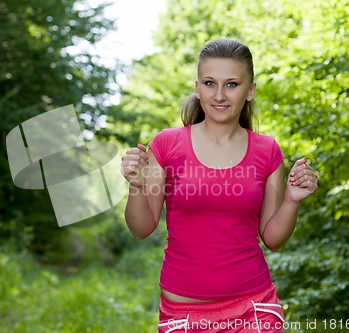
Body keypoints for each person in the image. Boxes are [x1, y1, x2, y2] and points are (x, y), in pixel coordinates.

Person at [120, 38, 318, 333]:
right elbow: (141, 228)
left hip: (254, 311)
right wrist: (136, 186)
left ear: (250, 91)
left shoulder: (267, 151)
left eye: (232, 84)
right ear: (197, 88)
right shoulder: (166, 144)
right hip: (183, 316)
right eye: (210, 83)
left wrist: (292, 200)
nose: (220, 95)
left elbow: (273, 239)